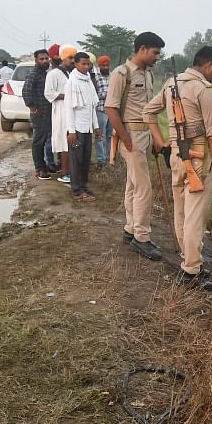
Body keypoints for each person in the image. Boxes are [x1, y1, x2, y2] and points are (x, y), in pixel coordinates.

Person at [144, 46, 212, 290]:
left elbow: (148, 112)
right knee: (194, 217)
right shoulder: (202, 89)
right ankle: (192, 270)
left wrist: (160, 141)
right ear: (208, 66)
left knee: (181, 212)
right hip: (199, 157)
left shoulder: (171, 84)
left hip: (176, 155)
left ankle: (187, 259)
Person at [105, 31, 166, 261]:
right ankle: (142, 237)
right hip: (131, 135)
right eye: (155, 52)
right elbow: (111, 109)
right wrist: (127, 140)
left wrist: (154, 138)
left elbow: (149, 111)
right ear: (142, 49)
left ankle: (131, 229)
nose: (157, 57)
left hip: (144, 136)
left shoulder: (148, 75)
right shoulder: (121, 74)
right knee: (144, 188)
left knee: (133, 185)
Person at [65, 52, 99, 202]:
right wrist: (71, 131)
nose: (86, 66)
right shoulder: (71, 82)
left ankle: (84, 186)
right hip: (76, 129)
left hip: (88, 128)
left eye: (88, 64)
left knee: (86, 159)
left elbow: (92, 106)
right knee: (76, 160)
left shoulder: (88, 81)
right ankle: (77, 190)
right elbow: (68, 109)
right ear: (76, 64)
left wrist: (96, 127)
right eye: (83, 64)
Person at [44, 45, 76, 184]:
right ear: (63, 58)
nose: (73, 60)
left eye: (74, 57)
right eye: (70, 57)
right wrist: (67, 96)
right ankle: (64, 173)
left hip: (72, 112)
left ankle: (72, 172)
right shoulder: (53, 74)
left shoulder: (72, 73)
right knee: (64, 144)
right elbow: (48, 93)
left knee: (72, 143)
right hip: (61, 113)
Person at [21, 48, 55, 179]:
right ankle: (39, 169)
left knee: (45, 139)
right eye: (42, 59)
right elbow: (26, 91)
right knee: (38, 142)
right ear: (36, 60)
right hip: (39, 114)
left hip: (48, 112)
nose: (45, 61)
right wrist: (32, 107)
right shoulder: (33, 73)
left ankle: (45, 165)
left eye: (46, 58)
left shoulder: (45, 73)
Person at [92, 55, 112, 166]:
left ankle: (109, 158)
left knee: (110, 135)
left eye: (107, 65)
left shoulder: (112, 76)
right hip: (100, 109)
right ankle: (101, 159)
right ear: (99, 66)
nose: (105, 67)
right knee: (100, 136)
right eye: (103, 65)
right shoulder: (96, 77)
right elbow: (95, 94)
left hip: (111, 110)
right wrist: (107, 95)